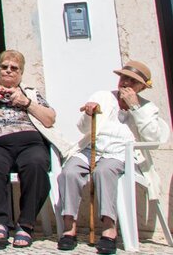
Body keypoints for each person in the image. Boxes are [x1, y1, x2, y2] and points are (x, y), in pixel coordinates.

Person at [56, 60, 171, 254]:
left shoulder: (147, 107)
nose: (126, 83)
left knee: (103, 171)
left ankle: (109, 228)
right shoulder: (102, 96)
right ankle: (69, 227)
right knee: (69, 172)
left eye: (132, 81)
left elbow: (153, 138)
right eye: (124, 77)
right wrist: (89, 115)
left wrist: (135, 108)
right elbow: (83, 129)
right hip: (92, 148)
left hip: (120, 153)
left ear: (142, 87)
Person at [0, 50, 60, 249]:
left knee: (37, 164)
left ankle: (26, 224)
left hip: (30, 143)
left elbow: (50, 119)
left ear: (21, 73)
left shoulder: (30, 92)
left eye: (14, 68)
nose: (8, 71)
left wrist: (26, 103)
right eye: (4, 67)